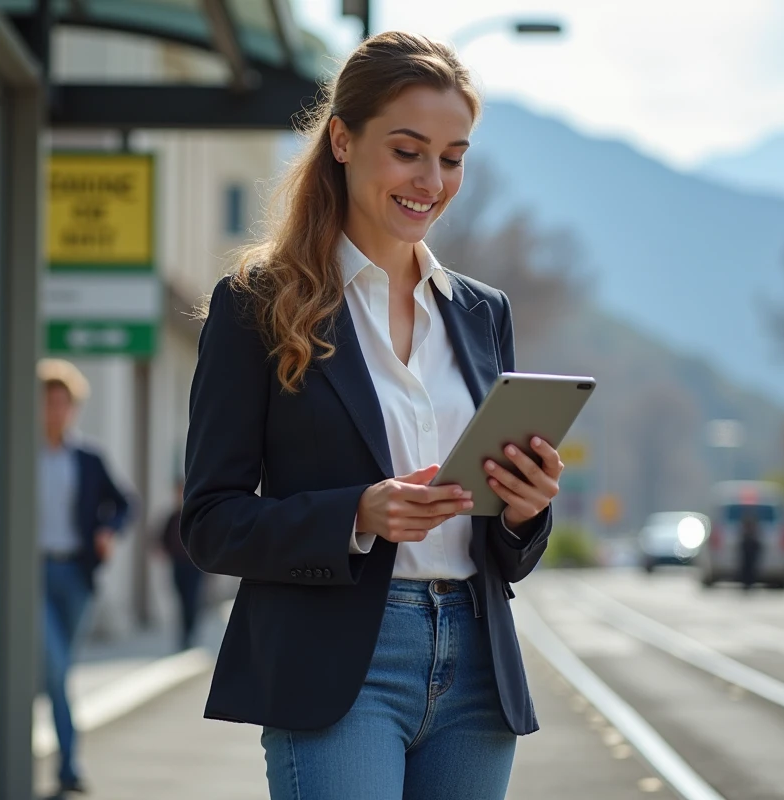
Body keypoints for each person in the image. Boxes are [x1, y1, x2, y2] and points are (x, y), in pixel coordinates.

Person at [181, 32, 562, 800]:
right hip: (337, 666)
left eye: (452, 157)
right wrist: (358, 514)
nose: (432, 179)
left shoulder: (483, 314)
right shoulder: (256, 306)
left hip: (477, 667)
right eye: (409, 150)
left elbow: (506, 552)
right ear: (344, 140)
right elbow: (210, 521)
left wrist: (524, 513)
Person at [36, 358, 131, 798]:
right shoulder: (18, 455)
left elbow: (124, 502)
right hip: (30, 576)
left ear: (72, 408)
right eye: (48, 402)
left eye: (62, 403)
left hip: (75, 575)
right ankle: (69, 766)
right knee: (55, 670)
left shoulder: (88, 459)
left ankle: (61, 762)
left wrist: (108, 531)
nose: (55, 411)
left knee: (58, 671)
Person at [155, 477, 204, 651]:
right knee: (182, 600)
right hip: (178, 565)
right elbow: (160, 538)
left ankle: (190, 633)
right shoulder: (172, 517)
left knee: (192, 600)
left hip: (194, 566)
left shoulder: (196, 516)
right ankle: (184, 635)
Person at [738, 510, 763, 592]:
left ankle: (749, 582)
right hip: (747, 547)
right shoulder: (745, 526)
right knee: (746, 566)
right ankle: (746, 582)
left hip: (751, 547)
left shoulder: (754, 526)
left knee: (751, 567)